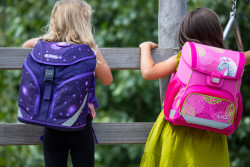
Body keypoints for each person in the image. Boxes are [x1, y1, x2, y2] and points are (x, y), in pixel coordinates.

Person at [139, 7, 250, 167]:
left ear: (185, 34)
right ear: (217, 32)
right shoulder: (231, 60)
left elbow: (149, 72)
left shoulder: (185, 55)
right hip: (212, 132)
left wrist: (145, 48)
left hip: (179, 128)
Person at [22, 0, 113, 167]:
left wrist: (44, 40)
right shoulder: (89, 49)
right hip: (79, 124)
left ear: (55, 21)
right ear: (83, 23)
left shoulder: (43, 45)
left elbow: (26, 45)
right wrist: (96, 49)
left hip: (50, 124)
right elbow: (108, 80)